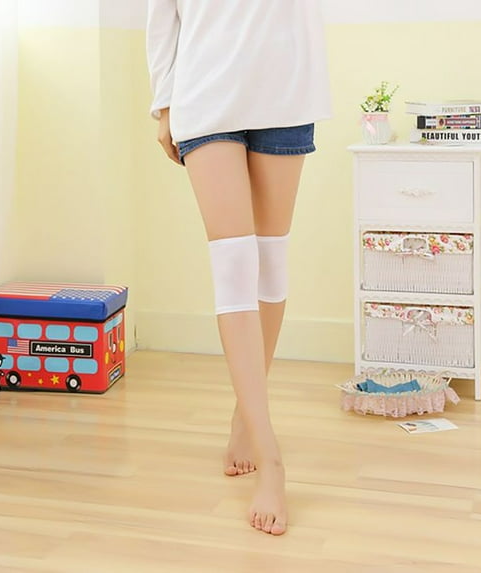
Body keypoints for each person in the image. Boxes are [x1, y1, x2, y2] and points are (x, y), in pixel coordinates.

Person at [146, 0, 331, 536]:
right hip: (205, 93)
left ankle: (245, 415)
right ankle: (270, 457)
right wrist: (163, 104)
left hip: (285, 86)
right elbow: (162, 15)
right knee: (233, 267)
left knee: (270, 265)